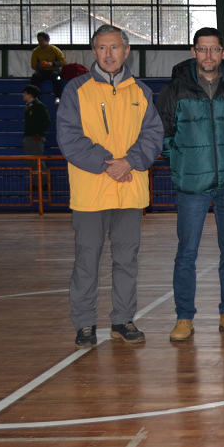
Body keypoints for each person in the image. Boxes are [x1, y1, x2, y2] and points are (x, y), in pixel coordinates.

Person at [56, 24, 163, 347]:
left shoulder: (141, 92)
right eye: (102, 48)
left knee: (126, 260)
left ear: (126, 50)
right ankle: (85, 323)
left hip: (129, 191)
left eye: (114, 47)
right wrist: (111, 164)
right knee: (87, 260)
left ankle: (122, 319)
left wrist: (128, 161)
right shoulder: (76, 90)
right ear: (94, 52)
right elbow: (70, 139)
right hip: (91, 192)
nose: (108, 54)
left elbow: (153, 135)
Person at [156, 28, 224, 342]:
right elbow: (163, 136)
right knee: (186, 254)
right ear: (193, 51)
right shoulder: (174, 89)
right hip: (191, 187)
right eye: (203, 49)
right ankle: (184, 318)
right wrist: (185, 163)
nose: (209, 56)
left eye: (214, 50)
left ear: (223, 53)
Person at [22, 85, 51, 187]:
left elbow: (47, 121)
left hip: (34, 138)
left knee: (37, 161)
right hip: (29, 137)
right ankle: (38, 183)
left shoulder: (38, 106)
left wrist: (38, 134)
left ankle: (44, 183)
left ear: (29, 95)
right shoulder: (30, 106)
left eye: (25, 93)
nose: (23, 95)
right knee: (31, 161)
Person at [30, 31, 66, 100]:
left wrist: (52, 64)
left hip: (53, 71)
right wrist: (40, 66)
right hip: (41, 72)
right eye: (38, 40)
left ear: (47, 40)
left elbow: (63, 62)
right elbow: (33, 65)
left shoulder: (54, 49)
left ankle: (58, 97)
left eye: (41, 40)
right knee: (34, 77)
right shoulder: (36, 51)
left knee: (57, 78)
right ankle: (34, 98)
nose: (40, 42)